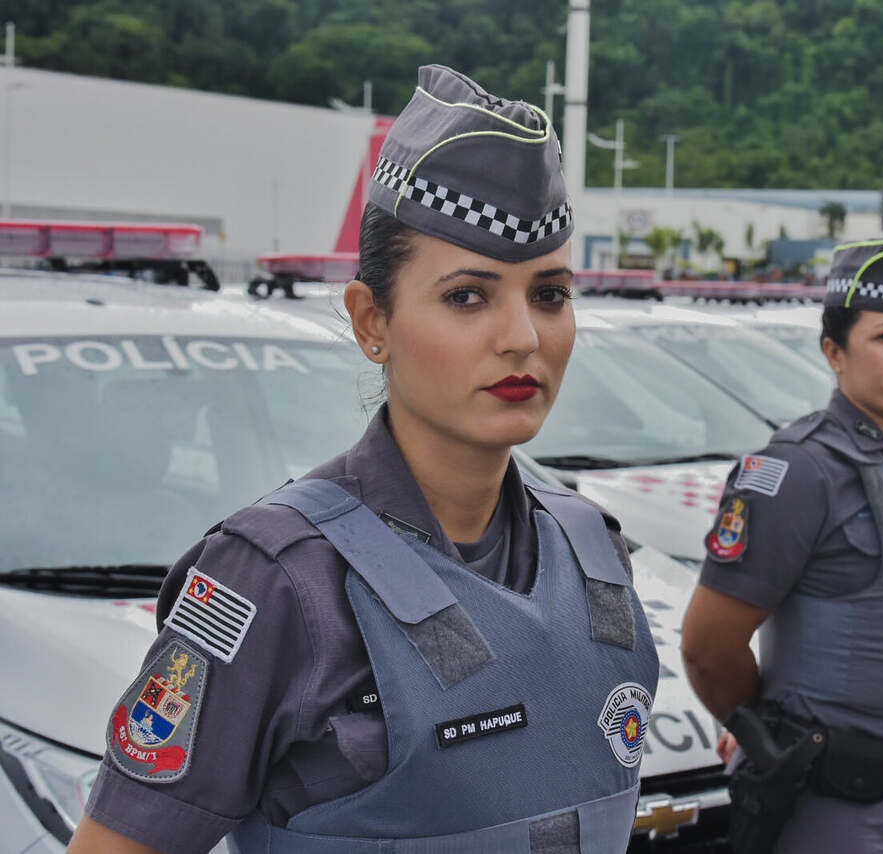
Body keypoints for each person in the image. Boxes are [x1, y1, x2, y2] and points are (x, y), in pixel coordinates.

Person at [68, 65, 658, 854]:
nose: (523, 335)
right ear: (370, 319)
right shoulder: (279, 580)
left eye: (549, 294)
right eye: (468, 297)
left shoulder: (594, 557)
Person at [682, 238, 883, 854]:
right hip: (836, 797)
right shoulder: (799, 473)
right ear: (835, 351)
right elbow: (708, 646)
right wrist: (760, 731)